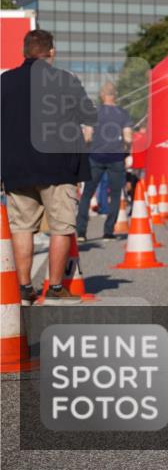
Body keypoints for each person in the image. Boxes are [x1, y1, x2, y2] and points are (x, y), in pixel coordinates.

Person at [1, 29, 98, 305]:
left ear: (24, 52)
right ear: (51, 52)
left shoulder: (4, 82)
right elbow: (88, 115)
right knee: (61, 227)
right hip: (58, 166)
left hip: (16, 167)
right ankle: (55, 288)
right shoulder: (65, 80)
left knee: (21, 227)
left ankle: (23, 289)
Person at [76, 82, 133, 240]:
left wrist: (88, 146)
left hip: (96, 156)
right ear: (115, 95)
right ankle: (108, 231)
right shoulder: (123, 113)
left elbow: (87, 136)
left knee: (87, 193)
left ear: (102, 96)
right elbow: (128, 137)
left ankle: (81, 232)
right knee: (115, 194)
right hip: (116, 157)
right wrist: (126, 150)